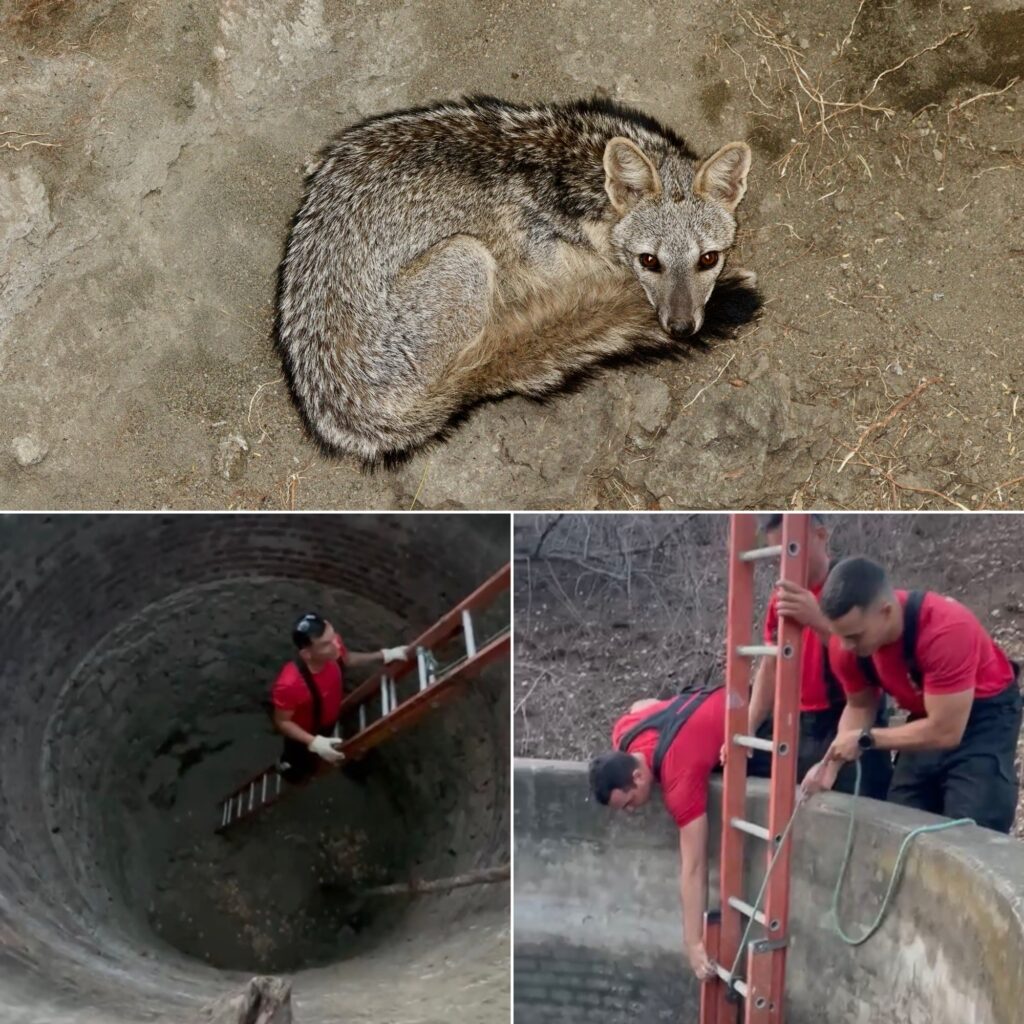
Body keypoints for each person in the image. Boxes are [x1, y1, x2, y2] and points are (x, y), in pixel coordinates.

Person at [803, 557, 1022, 833]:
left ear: (886, 611)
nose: (846, 646)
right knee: (901, 818)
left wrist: (866, 739)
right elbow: (860, 705)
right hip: (926, 713)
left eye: (855, 636)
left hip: (983, 718)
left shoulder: (945, 630)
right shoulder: (846, 645)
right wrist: (830, 766)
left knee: (970, 825)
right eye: (840, 636)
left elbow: (946, 732)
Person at [589, 684, 732, 983]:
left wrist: (693, 943)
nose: (630, 812)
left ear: (638, 777)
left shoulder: (680, 781)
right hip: (716, 694)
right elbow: (644, 702)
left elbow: (694, 867)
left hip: (749, 714)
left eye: (628, 803)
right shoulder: (625, 732)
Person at [745, 515, 892, 799]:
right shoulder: (781, 597)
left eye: (792, 552)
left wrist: (817, 619)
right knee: (806, 805)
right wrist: (749, 724)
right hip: (802, 722)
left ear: (821, 536)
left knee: (858, 806)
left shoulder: (852, 586)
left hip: (852, 714)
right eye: (779, 558)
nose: (786, 566)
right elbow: (770, 664)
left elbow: (872, 657)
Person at [272, 612, 409, 783]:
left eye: (333, 635)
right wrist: (313, 742)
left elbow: (348, 659)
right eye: (326, 644)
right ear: (307, 654)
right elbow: (283, 722)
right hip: (305, 734)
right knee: (298, 764)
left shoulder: (333, 652)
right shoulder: (289, 684)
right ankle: (288, 771)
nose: (336, 643)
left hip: (329, 720)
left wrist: (385, 655)